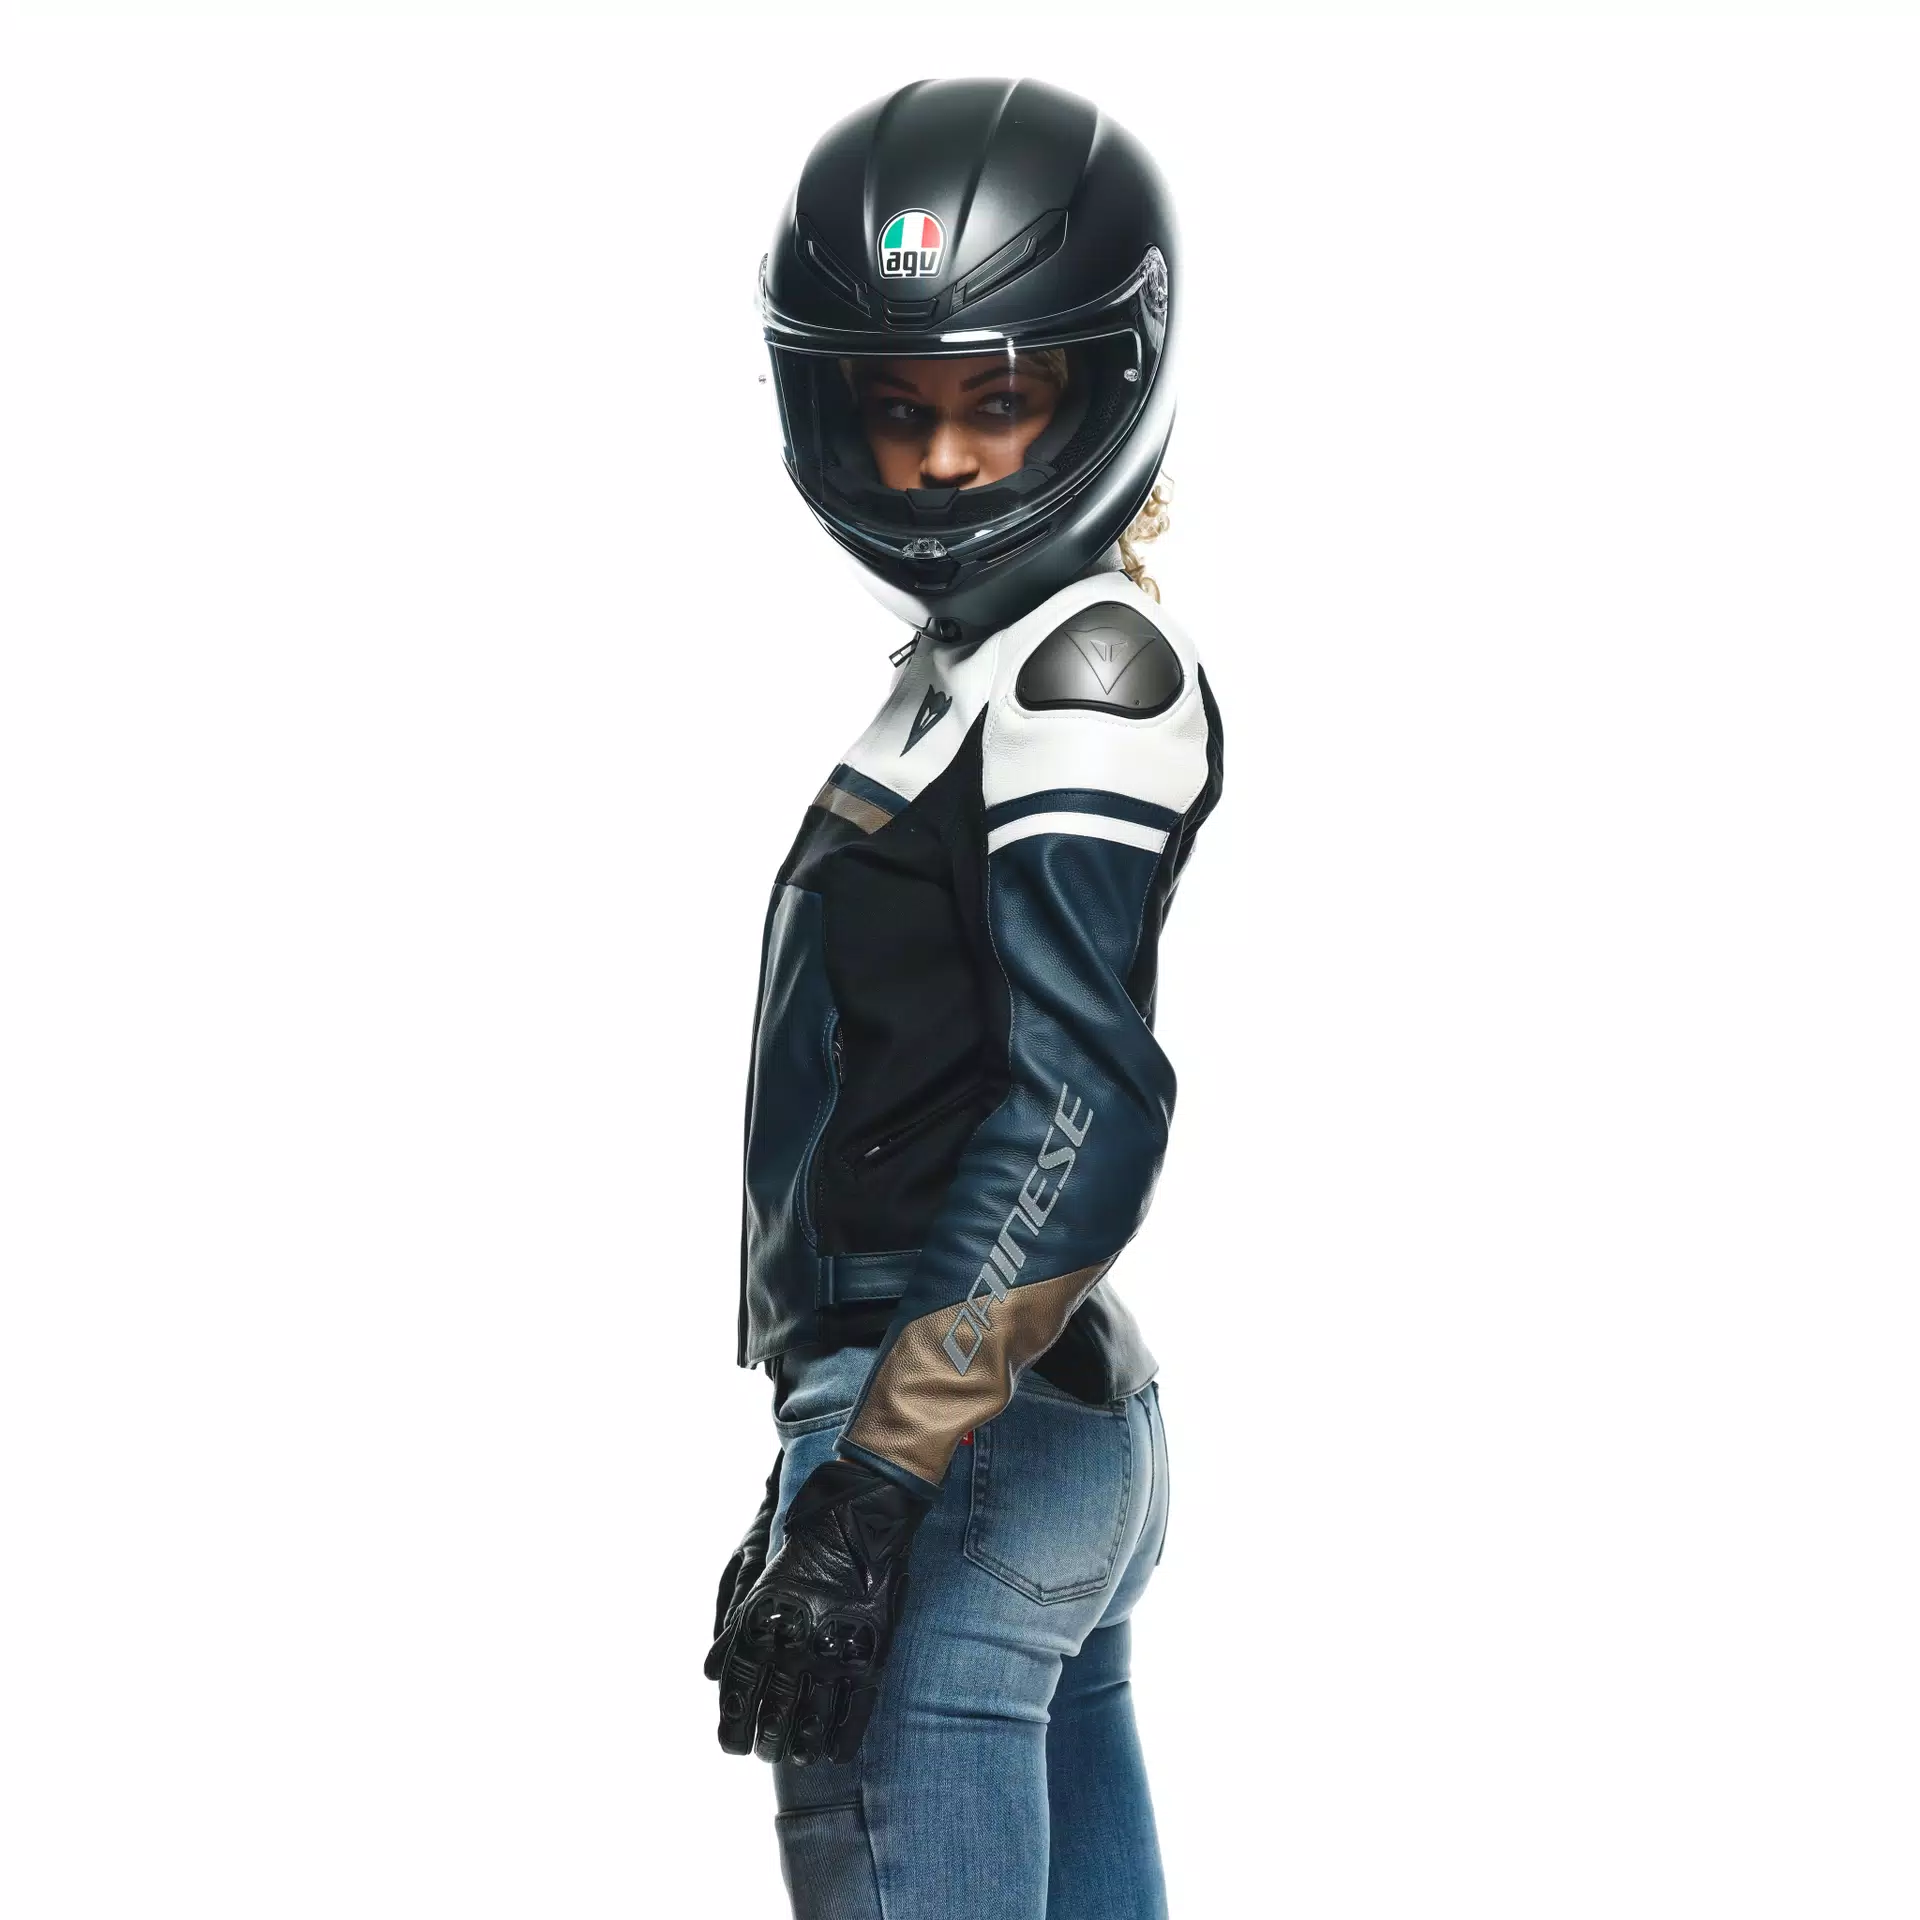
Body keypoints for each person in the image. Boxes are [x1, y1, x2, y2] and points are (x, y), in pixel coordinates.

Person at [703, 76, 1225, 1920]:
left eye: (997, 402)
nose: (937, 461)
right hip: (1004, 1424)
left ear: (1098, 388)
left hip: (958, 1446)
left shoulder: (1084, 672)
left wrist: (867, 1493)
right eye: (896, 406)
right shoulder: (980, 667)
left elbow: (1081, 1107)